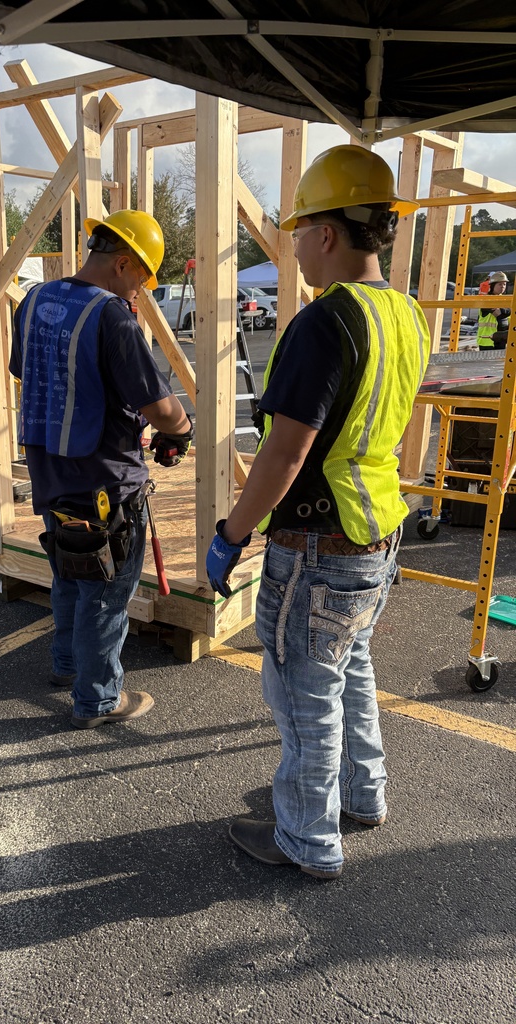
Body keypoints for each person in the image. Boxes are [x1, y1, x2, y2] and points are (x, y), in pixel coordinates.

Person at [206, 146, 431, 879]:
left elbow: (283, 456)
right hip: (376, 533)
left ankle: (307, 841)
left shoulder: (322, 323)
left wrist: (231, 533)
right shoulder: (404, 314)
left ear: (328, 234)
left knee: (305, 693)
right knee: (350, 666)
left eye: (299, 229)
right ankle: (364, 796)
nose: (293, 243)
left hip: (318, 541)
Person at [9, 210, 192, 729]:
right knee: (107, 592)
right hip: (106, 481)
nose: (141, 290)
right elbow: (160, 408)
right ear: (124, 263)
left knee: (70, 571)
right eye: (142, 277)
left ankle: (66, 665)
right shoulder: (111, 315)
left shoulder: (35, 300)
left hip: (50, 472)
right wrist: (181, 430)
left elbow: (27, 369)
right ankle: (97, 699)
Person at [477, 271, 510, 349]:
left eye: (504, 284)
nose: (502, 286)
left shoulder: (505, 300)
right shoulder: (487, 300)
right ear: (492, 286)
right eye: (499, 284)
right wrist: (508, 310)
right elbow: (499, 314)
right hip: (487, 341)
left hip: (501, 339)